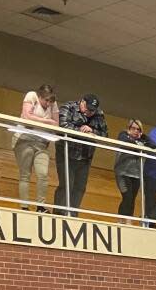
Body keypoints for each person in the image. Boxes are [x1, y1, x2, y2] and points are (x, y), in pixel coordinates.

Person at [54, 92, 107, 215]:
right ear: (82, 102)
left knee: (80, 187)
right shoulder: (68, 107)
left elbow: (105, 134)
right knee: (66, 184)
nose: (90, 113)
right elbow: (63, 126)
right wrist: (81, 131)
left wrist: (92, 130)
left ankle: (72, 215)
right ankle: (58, 214)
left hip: (85, 157)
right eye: (88, 109)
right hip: (66, 154)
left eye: (92, 111)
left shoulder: (99, 114)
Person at [11, 83, 59, 211]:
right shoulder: (31, 95)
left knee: (43, 174)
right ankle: (24, 206)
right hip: (24, 139)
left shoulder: (53, 104)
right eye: (46, 100)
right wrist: (47, 121)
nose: (48, 103)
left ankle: (40, 206)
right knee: (25, 174)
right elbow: (27, 116)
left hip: (42, 143)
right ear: (40, 96)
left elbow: (56, 124)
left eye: (50, 101)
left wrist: (37, 119)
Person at [112, 118, 152, 220]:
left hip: (137, 174)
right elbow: (125, 141)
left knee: (132, 199)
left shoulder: (143, 140)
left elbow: (154, 146)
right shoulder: (123, 135)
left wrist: (142, 137)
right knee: (127, 197)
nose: (136, 131)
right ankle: (121, 222)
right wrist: (139, 146)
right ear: (128, 129)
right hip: (123, 173)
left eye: (138, 129)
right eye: (133, 128)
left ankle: (127, 221)